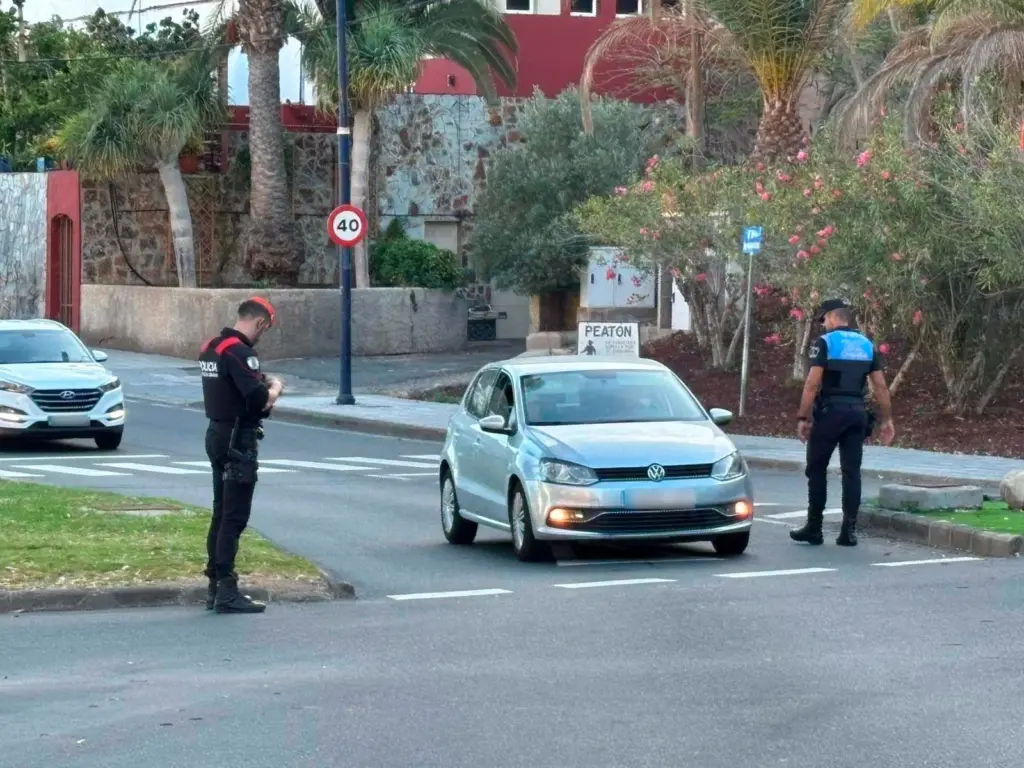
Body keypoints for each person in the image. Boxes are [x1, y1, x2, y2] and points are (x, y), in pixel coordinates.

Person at [199, 297, 284, 613]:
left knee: (220, 512)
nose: (263, 335)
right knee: (234, 517)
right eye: (265, 329)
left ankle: (214, 586)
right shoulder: (240, 352)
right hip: (238, 440)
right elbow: (258, 400)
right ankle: (227, 591)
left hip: (217, 434)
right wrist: (276, 387)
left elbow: (231, 388)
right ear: (261, 322)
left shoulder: (212, 347)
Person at [791, 298, 895, 547]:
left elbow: (812, 384)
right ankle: (849, 532)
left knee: (816, 470)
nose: (823, 324)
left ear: (833, 317)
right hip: (857, 414)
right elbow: (880, 386)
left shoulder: (825, 343)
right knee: (852, 472)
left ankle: (814, 528)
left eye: (824, 319)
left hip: (829, 413)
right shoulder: (866, 344)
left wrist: (803, 417)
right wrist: (887, 419)